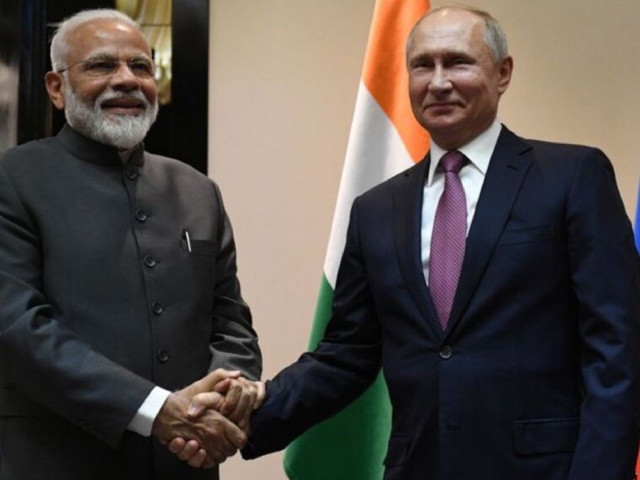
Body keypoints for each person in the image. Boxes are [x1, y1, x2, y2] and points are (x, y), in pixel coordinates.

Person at [185, 5, 640, 480]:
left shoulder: (571, 178)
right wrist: (251, 409)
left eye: (458, 62)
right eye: (423, 65)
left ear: (503, 73)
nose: (438, 81)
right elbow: (347, 353)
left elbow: (616, 349)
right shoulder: (376, 209)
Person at [0, 8, 262, 480]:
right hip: (58, 462)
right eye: (102, 65)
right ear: (56, 88)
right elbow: (17, 328)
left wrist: (227, 392)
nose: (127, 80)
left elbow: (230, 321)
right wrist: (156, 410)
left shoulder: (197, 189)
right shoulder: (14, 180)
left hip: (184, 463)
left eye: (141, 66)